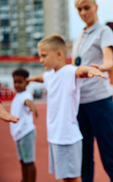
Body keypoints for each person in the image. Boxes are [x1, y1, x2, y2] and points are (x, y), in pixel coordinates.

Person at [27, 35, 105, 182]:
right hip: (54, 136)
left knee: (74, 177)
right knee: (64, 176)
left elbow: (79, 70)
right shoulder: (50, 75)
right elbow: (43, 77)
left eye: (44, 56)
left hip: (68, 137)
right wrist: (33, 78)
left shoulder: (69, 72)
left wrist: (89, 70)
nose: (41, 60)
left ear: (59, 54)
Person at [72, 0, 113, 182]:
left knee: (108, 153)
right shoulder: (79, 36)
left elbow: (109, 59)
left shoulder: (104, 31)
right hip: (80, 103)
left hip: (99, 101)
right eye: (79, 9)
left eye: (87, 7)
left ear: (96, 7)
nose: (83, 12)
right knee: (84, 156)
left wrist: (101, 66)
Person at [10, 68, 38, 182]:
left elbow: (28, 101)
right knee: (22, 161)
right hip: (18, 134)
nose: (17, 85)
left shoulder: (26, 95)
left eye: (20, 82)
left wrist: (32, 106)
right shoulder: (17, 96)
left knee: (29, 161)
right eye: (15, 82)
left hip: (26, 133)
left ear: (27, 82)